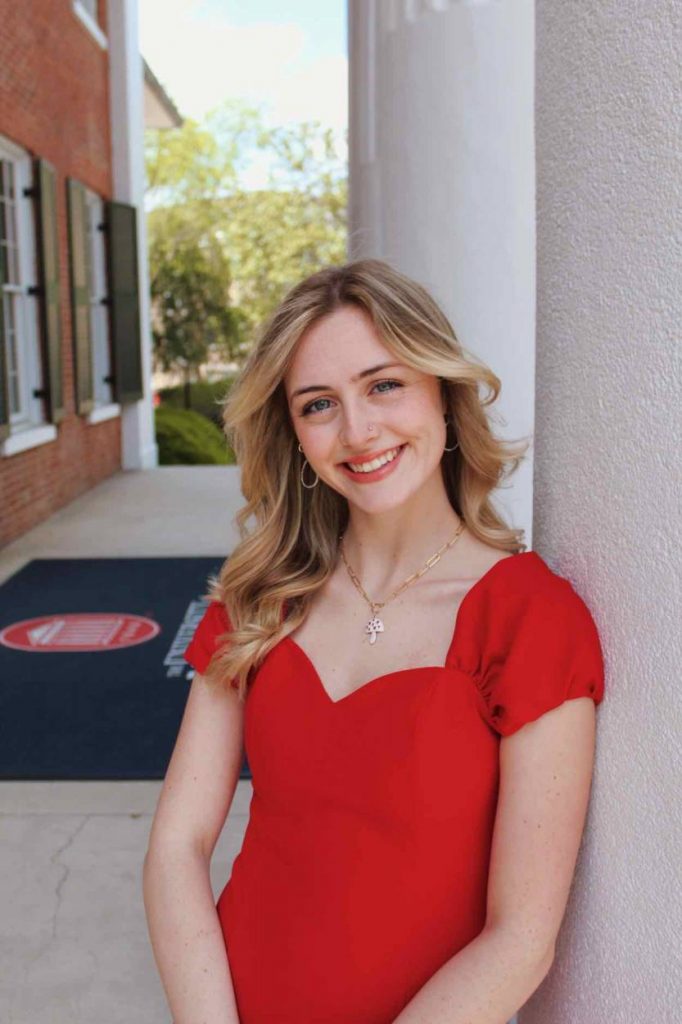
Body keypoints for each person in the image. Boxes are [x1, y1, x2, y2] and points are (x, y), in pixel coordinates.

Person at [143, 258, 605, 1024]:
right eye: (318, 404)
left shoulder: (529, 617)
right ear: (294, 435)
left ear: (443, 395)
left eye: (384, 384)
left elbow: (522, 936)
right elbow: (176, 847)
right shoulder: (261, 599)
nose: (358, 431)